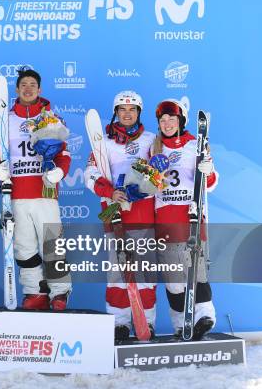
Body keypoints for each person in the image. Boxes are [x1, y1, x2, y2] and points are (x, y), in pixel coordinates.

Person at [0, 68, 72, 311]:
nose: (27, 89)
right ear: (17, 89)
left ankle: (60, 292)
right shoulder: (5, 119)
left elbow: (64, 154)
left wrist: (59, 172)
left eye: (32, 85)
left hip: (44, 191)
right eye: (23, 85)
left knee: (52, 244)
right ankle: (35, 291)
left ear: (39, 89)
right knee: (24, 246)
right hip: (16, 193)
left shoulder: (50, 117)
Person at [84, 90, 157, 339]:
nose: (127, 114)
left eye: (132, 109)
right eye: (122, 109)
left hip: (144, 214)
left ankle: (146, 322)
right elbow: (90, 175)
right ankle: (120, 322)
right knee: (117, 274)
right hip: (114, 214)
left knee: (145, 273)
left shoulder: (151, 139)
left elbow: (160, 174)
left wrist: (144, 187)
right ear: (116, 112)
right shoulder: (102, 142)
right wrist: (110, 192)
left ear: (139, 112)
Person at [152, 99, 217, 339]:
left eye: (171, 118)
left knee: (196, 273)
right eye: (162, 120)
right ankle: (182, 324)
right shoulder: (153, 147)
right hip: (165, 219)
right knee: (174, 280)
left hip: (190, 217)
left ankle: (204, 317)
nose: (167, 124)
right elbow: (147, 187)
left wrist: (208, 171)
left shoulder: (195, 145)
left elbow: (209, 184)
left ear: (181, 121)